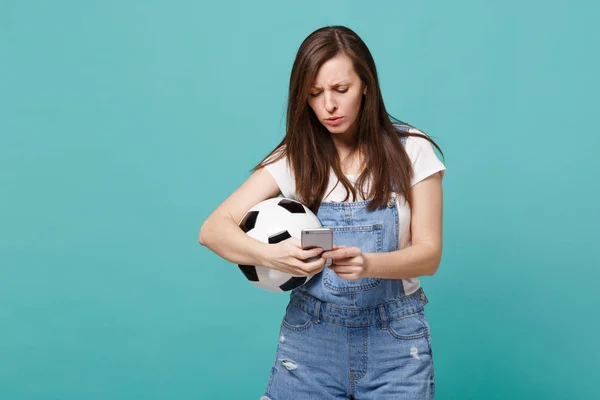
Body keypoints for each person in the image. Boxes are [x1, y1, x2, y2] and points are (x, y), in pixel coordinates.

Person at [199, 25, 446, 400]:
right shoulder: (296, 159)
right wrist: (272, 255)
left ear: (366, 85)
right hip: (310, 342)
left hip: (395, 343)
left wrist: (368, 264)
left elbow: (429, 255)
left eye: (340, 90)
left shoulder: (412, 150)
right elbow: (213, 229)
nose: (328, 105)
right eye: (314, 94)